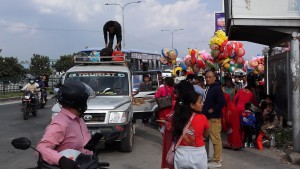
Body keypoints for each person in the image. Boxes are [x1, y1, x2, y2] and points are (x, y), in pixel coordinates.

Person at [36, 80, 93, 169]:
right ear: (79, 102)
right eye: (85, 100)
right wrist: (60, 160)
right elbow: (42, 148)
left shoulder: (78, 118)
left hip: (85, 164)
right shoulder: (60, 123)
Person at [173, 91, 209, 169]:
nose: (202, 104)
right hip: (198, 155)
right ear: (192, 105)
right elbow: (206, 135)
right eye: (200, 102)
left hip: (180, 155)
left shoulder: (178, 117)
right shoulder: (203, 118)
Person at [202, 70, 225, 168]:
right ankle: (216, 157)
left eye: (210, 77)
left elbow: (222, 102)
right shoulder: (210, 87)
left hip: (214, 118)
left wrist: (212, 110)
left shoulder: (216, 88)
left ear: (214, 77)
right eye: (206, 77)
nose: (208, 79)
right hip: (208, 117)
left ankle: (217, 160)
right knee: (210, 139)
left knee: (215, 139)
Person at [233, 85, 259, 150]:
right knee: (244, 125)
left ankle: (237, 141)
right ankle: (242, 141)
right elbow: (255, 103)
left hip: (237, 109)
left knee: (237, 125)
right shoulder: (251, 94)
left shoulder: (240, 91)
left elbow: (234, 99)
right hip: (244, 111)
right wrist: (259, 106)